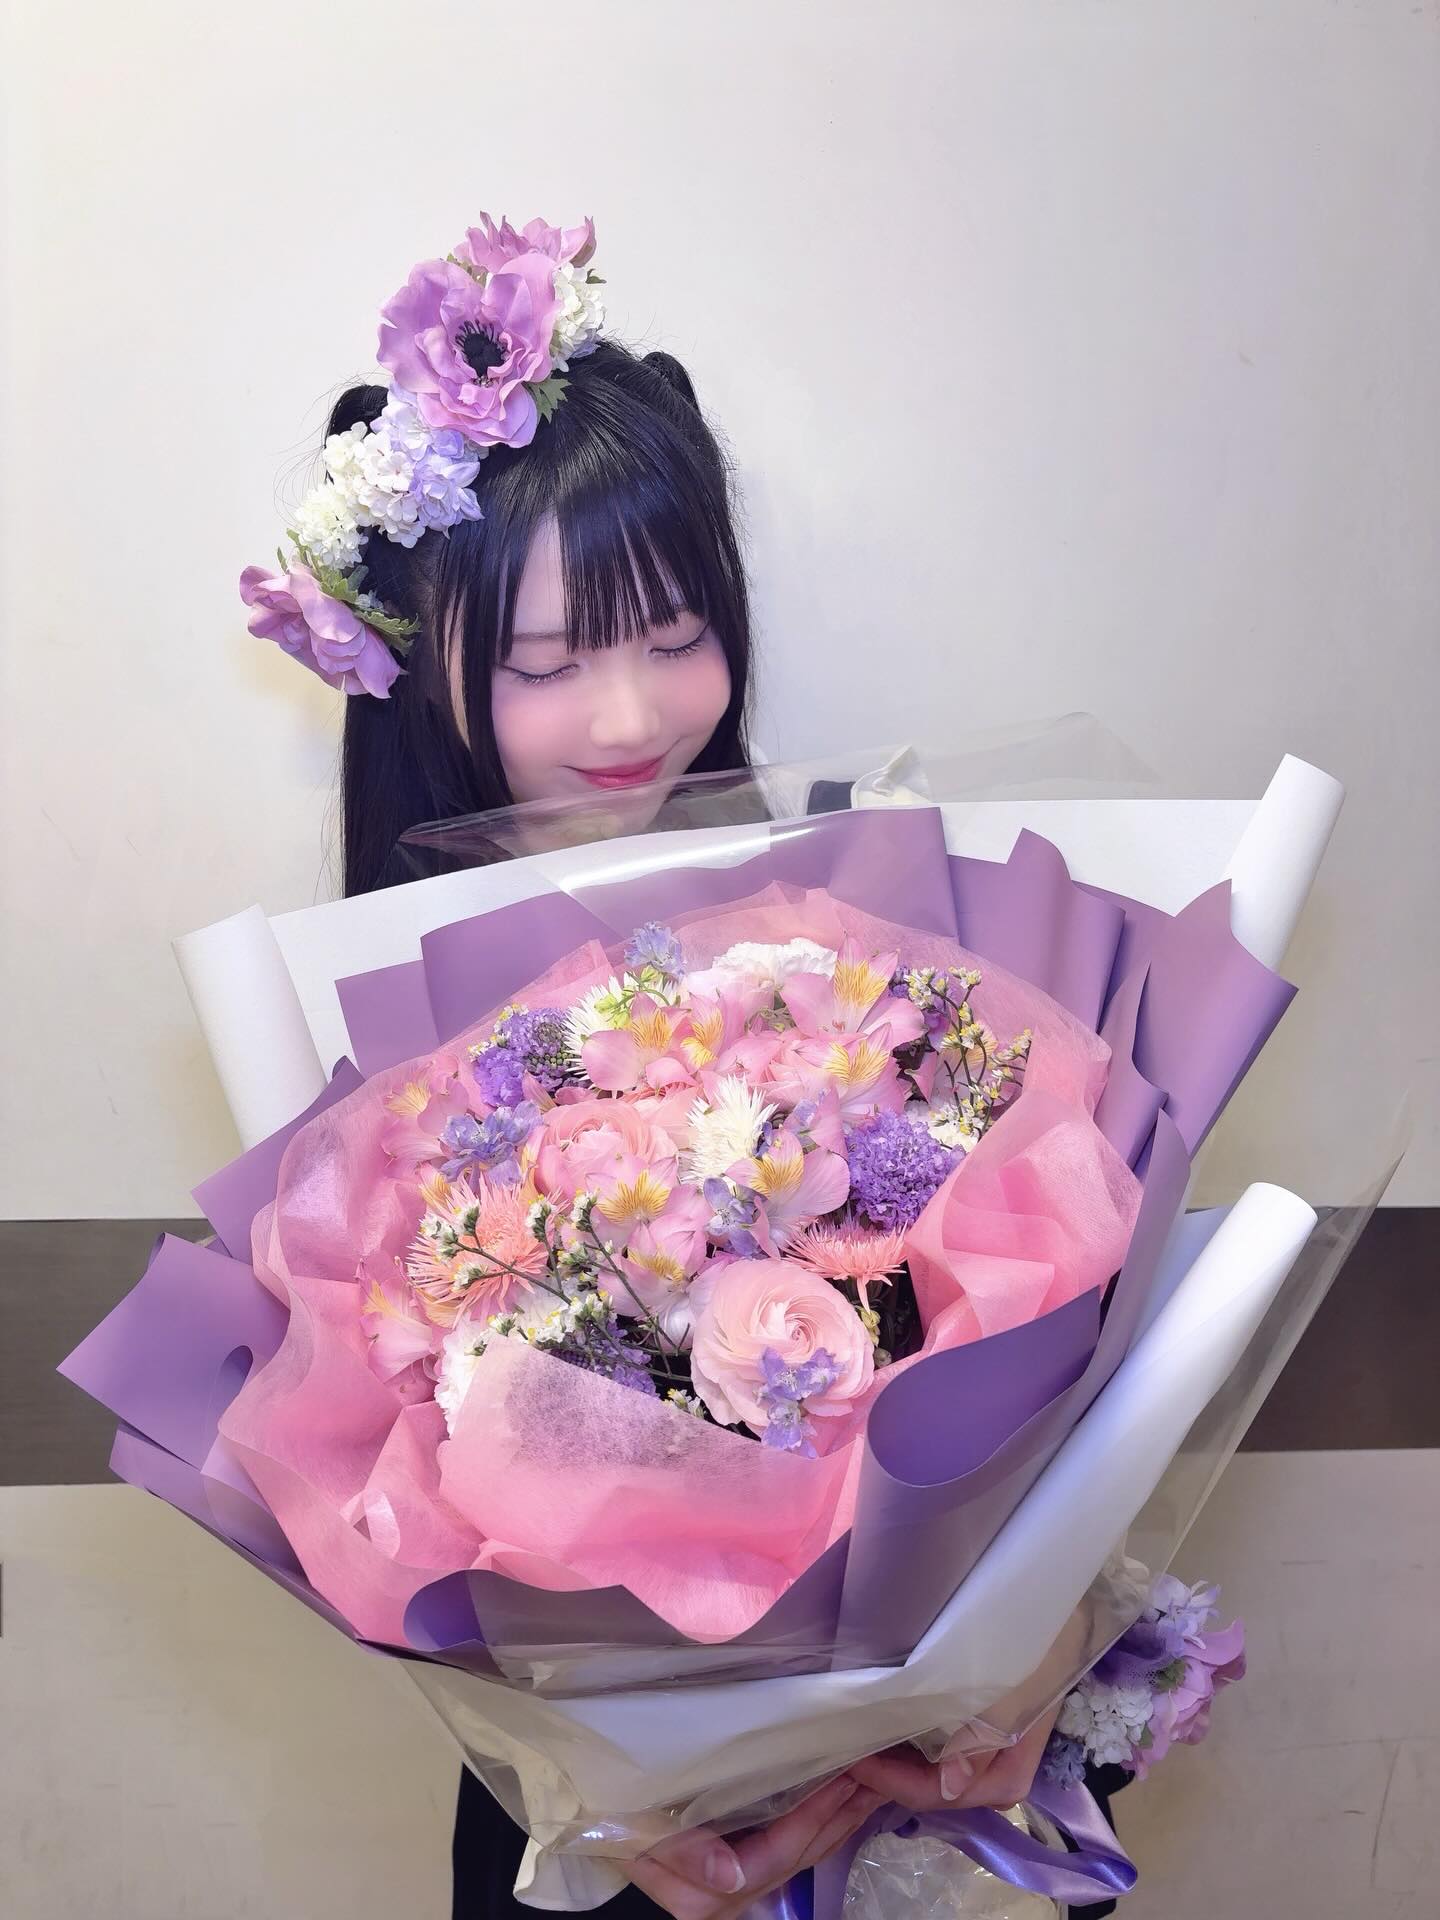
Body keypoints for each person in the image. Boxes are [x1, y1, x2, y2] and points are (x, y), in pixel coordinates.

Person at [242, 210, 1115, 1920]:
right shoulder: (351, 1010)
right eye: (549, 664)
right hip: (596, 1816)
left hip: (903, 1778)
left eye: (674, 635)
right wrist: (610, 1787)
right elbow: (361, 1469)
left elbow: (1026, 1343)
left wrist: (1030, 1639)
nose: (635, 716)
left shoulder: (849, 919)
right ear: (423, 673)